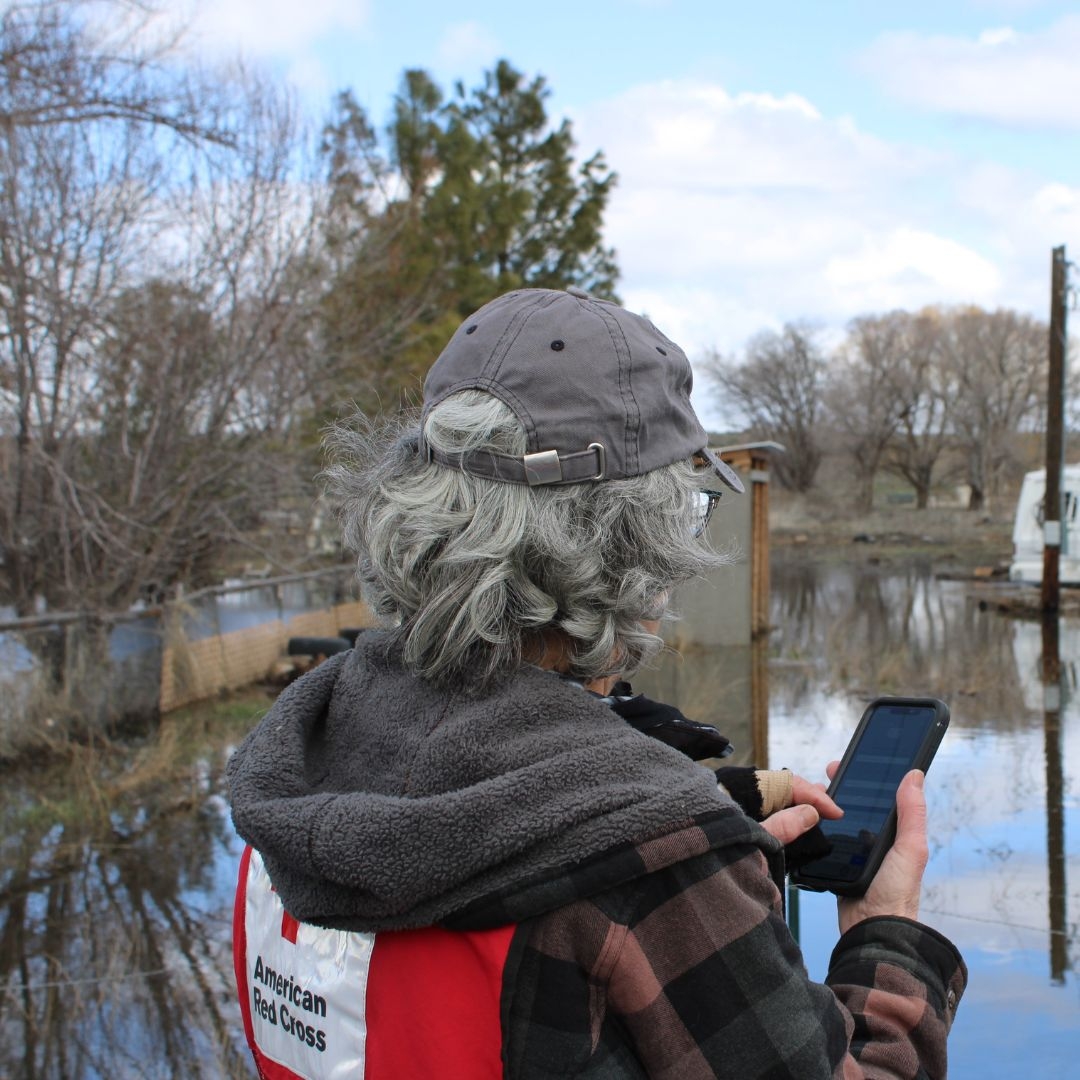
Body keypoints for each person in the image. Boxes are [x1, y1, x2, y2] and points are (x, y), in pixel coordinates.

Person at [228, 287, 966, 1079]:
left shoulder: (299, 773)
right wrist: (885, 932)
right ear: (627, 545)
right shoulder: (653, 873)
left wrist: (717, 818)